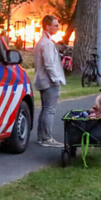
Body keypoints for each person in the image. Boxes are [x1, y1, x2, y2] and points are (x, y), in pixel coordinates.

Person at [33, 14, 67, 148]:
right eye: (55, 25)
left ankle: (42, 136)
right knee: (49, 110)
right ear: (47, 26)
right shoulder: (46, 43)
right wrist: (55, 79)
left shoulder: (43, 42)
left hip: (43, 80)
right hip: (48, 81)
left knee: (45, 108)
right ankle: (46, 137)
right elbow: (49, 64)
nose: (58, 28)